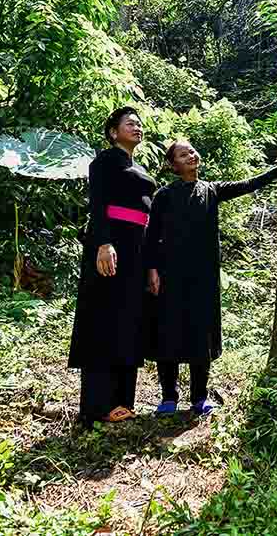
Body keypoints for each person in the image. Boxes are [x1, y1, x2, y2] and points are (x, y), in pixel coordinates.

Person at [145, 140, 277, 415]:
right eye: (184, 154)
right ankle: (168, 396)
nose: (192, 155)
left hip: (203, 277)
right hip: (170, 275)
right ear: (173, 165)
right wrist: (152, 270)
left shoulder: (211, 190)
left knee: (201, 335)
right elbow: (151, 236)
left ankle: (199, 397)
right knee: (168, 332)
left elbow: (248, 184)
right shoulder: (164, 195)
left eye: (193, 151)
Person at [68, 107, 156, 426]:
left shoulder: (140, 167)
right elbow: (99, 202)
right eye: (130, 123)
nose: (137, 127)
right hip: (111, 246)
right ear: (113, 132)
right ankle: (95, 407)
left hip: (137, 250)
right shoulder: (105, 161)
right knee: (103, 319)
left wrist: (151, 265)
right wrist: (103, 243)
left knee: (129, 320)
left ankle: (122, 403)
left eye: (139, 124)